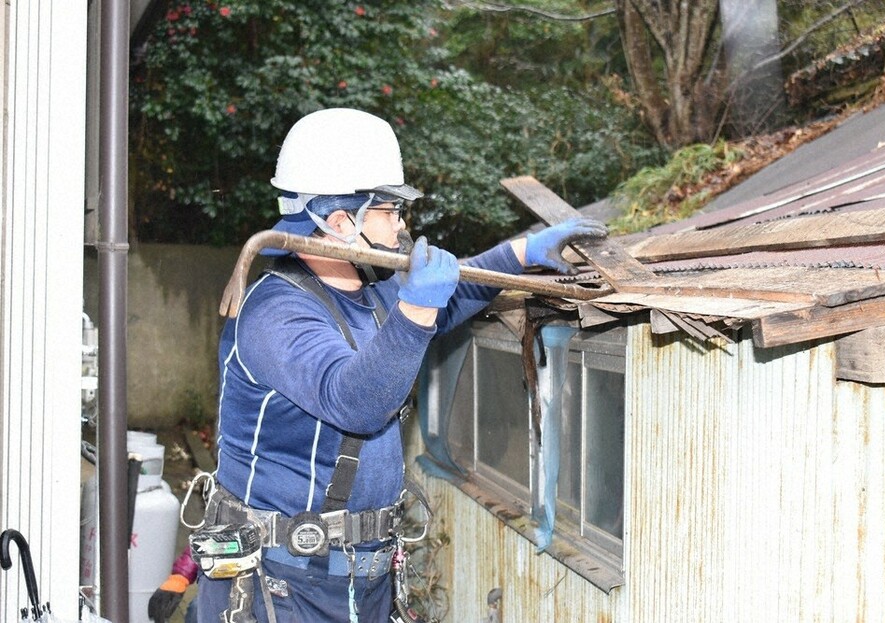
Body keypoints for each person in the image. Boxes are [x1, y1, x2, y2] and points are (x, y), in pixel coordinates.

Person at [194, 108, 607, 622]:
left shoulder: (371, 289)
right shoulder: (275, 313)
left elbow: (447, 302)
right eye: (389, 209)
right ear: (340, 222)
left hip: (358, 575)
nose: (402, 224)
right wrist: (414, 310)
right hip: (283, 581)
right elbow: (354, 401)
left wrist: (521, 252)